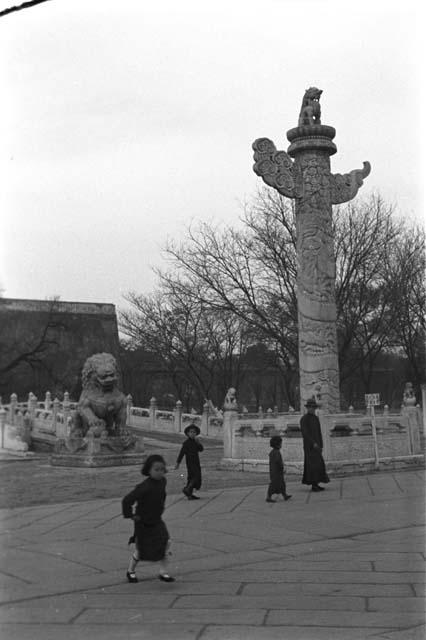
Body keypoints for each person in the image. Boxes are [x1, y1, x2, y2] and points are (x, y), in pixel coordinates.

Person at [122, 454, 174, 583]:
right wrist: (131, 515)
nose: (160, 472)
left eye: (162, 469)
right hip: (143, 522)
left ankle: (163, 572)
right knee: (142, 549)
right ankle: (131, 571)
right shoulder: (144, 487)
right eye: (156, 469)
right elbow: (127, 500)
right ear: (148, 470)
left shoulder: (163, 481)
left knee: (166, 542)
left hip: (156, 520)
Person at [300, 398, 330, 492]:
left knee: (319, 464)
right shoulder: (304, 419)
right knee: (311, 466)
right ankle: (314, 484)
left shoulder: (315, 418)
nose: (312, 409)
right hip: (309, 446)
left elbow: (319, 432)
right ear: (307, 408)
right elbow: (305, 433)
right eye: (310, 407)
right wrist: (313, 443)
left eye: (313, 407)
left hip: (317, 446)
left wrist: (320, 444)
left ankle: (317, 483)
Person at [174, 424, 204, 500]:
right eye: (191, 432)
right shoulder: (186, 443)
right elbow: (181, 453)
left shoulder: (195, 442)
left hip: (196, 461)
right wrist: (178, 463)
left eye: (194, 432)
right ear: (187, 433)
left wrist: (198, 443)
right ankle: (187, 489)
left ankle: (189, 494)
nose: (192, 433)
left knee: (191, 477)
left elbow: (201, 449)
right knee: (195, 476)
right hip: (190, 462)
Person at [266, 435, 292, 503]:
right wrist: (282, 467)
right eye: (280, 443)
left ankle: (284, 495)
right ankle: (268, 497)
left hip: (274, 471)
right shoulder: (277, 452)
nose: (281, 445)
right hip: (277, 472)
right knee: (274, 484)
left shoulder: (272, 452)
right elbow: (278, 462)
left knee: (281, 484)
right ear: (278, 445)